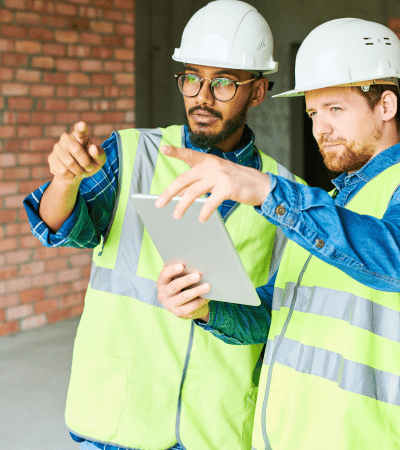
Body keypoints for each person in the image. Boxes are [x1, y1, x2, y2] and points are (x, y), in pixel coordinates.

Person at [23, 1, 305, 449]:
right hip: (120, 421)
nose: (202, 97)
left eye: (224, 83)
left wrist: (213, 312)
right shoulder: (133, 154)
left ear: (258, 91)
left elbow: (275, 317)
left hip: (214, 429)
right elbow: (61, 228)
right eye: (192, 78)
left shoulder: (283, 194)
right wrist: (64, 181)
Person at [156, 18, 400, 449]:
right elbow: (280, 314)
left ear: (386, 105)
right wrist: (207, 310)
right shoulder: (328, 203)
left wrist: (265, 188)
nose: (320, 129)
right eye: (312, 113)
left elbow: (392, 257)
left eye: (336, 109)